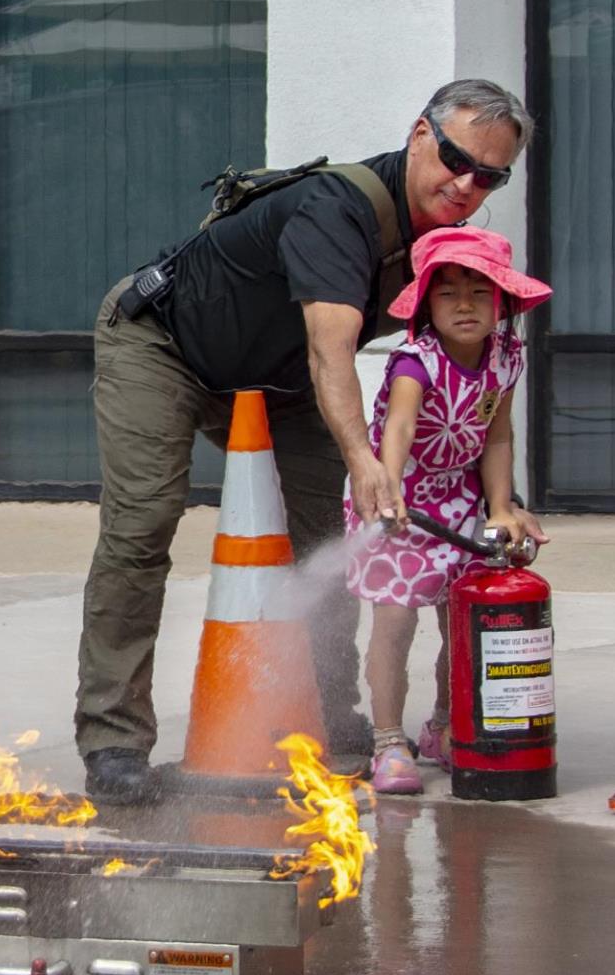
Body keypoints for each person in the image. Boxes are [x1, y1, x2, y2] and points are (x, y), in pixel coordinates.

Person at [75, 80, 534, 805]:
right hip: (164, 346)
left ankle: (332, 719)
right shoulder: (338, 209)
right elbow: (332, 349)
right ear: (421, 134)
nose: (466, 185)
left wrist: (499, 500)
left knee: (329, 530)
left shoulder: (448, 248)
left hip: (281, 381)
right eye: (456, 160)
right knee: (143, 523)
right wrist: (364, 460)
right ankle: (114, 740)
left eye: (490, 176)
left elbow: (465, 382)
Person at [351, 228, 550, 797]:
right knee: (395, 621)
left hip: (460, 497)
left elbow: (498, 435)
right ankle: (389, 741)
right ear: (425, 305)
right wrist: (389, 493)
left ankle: (444, 724)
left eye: (480, 292)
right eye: (448, 293)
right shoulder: (416, 362)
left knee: (461, 619)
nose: (465, 305)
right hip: (402, 499)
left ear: (502, 302)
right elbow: (399, 428)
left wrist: (501, 507)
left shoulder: (508, 358)